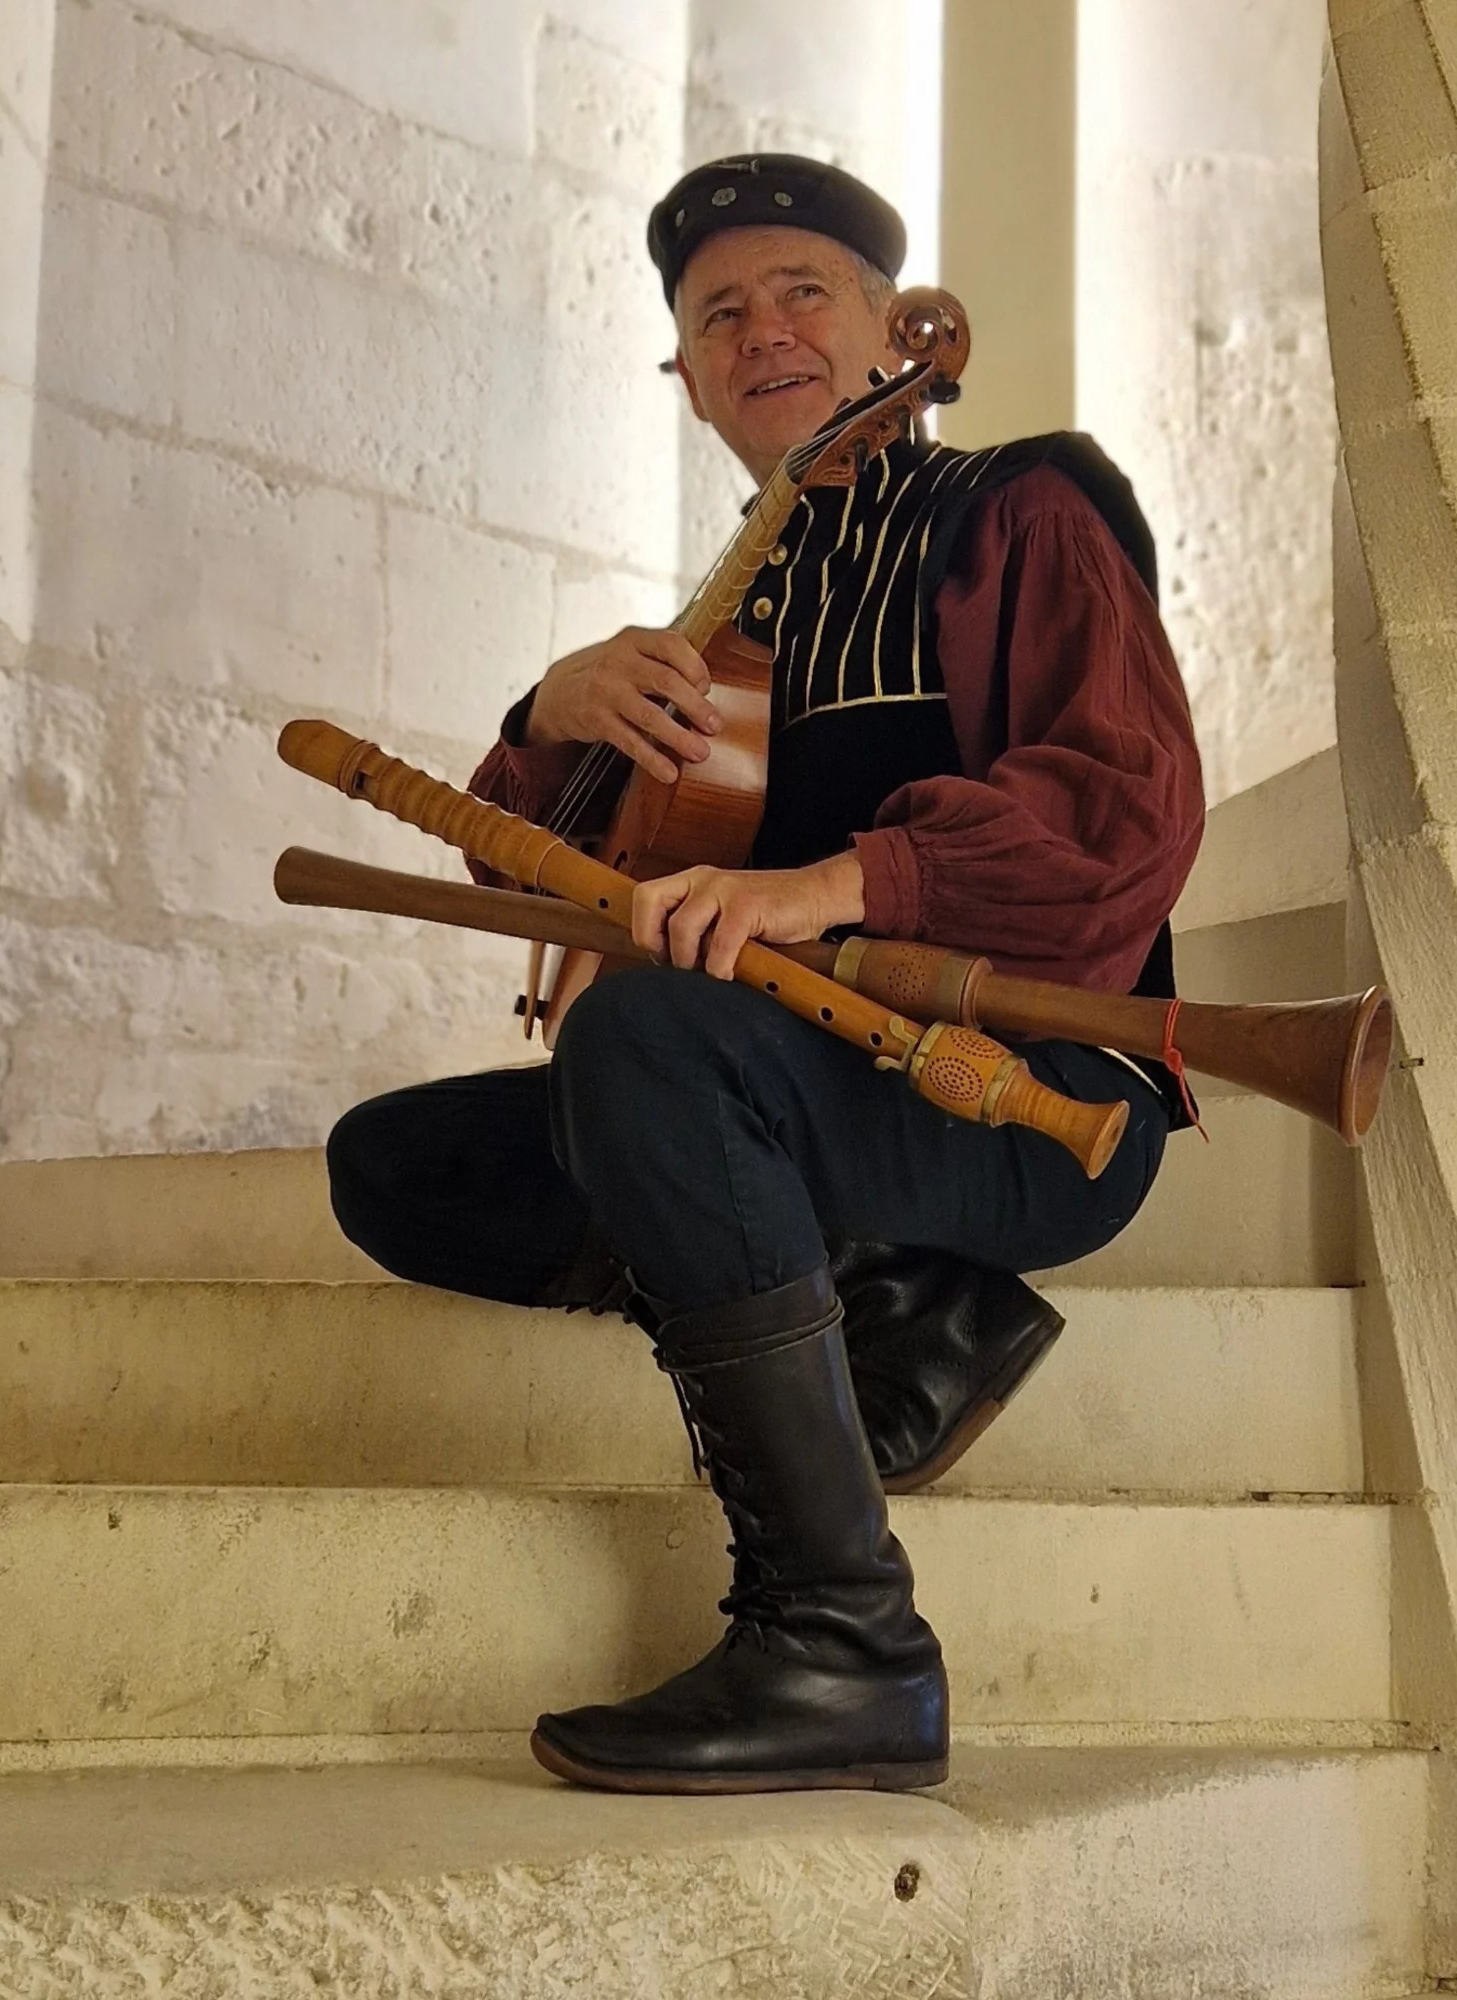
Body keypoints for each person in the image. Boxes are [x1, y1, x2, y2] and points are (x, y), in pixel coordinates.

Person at [325, 154, 1206, 1795]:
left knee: (651, 1044)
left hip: (1031, 1096)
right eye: (720, 312)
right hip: (798, 1094)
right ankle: (896, 1309)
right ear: (687, 376)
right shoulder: (724, 626)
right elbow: (544, 868)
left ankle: (843, 1636)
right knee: (396, 1166)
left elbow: (1123, 812)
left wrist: (829, 885)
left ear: (889, 326)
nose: (765, 329)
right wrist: (546, 716)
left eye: (804, 290)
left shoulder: (1017, 508)